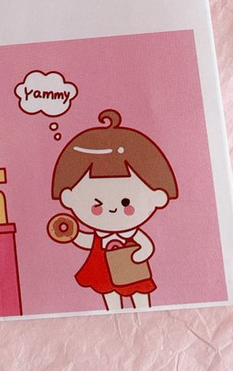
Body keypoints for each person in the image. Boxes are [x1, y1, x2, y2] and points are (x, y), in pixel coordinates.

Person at [50, 108, 177, 310]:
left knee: (140, 292)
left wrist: (140, 254)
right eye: (97, 203)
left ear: (157, 196)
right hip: (103, 271)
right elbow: (86, 240)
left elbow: (146, 246)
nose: (111, 210)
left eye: (126, 202)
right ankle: (113, 311)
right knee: (108, 293)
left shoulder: (131, 233)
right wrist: (73, 235)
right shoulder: (98, 236)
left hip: (132, 270)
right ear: (69, 197)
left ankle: (142, 309)